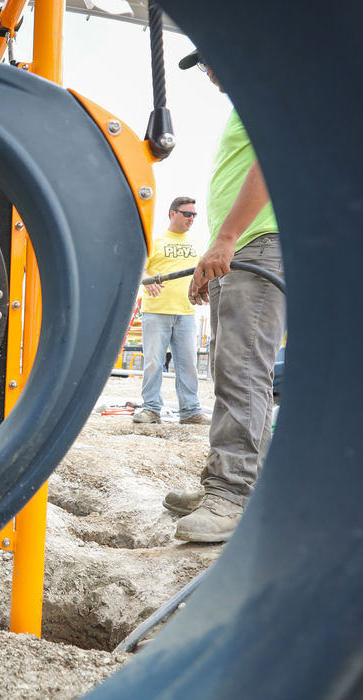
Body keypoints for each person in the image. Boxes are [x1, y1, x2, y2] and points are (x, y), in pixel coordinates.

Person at [163, 50, 285, 543]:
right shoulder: (248, 106)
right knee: (230, 367)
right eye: (205, 64)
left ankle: (232, 493)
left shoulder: (272, 94)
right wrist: (215, 256)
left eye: (217, 57)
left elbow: (275, 160)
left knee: (243, 370)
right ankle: (232, 479)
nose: (212, 71)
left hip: (259, 242)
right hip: (243, 246)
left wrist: (228, 236)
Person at [133, 196, 208, 425]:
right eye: (187, 214)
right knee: (154, 361)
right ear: (172, 213)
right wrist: (147, 280)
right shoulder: (154, 241)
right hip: (156, 311)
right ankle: (151, 409)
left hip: (186, 312)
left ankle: (190, 410)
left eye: (194, 215)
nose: (191, 219)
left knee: (188, 364)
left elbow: (203, 274)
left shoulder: (196, 243)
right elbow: (137, 269)